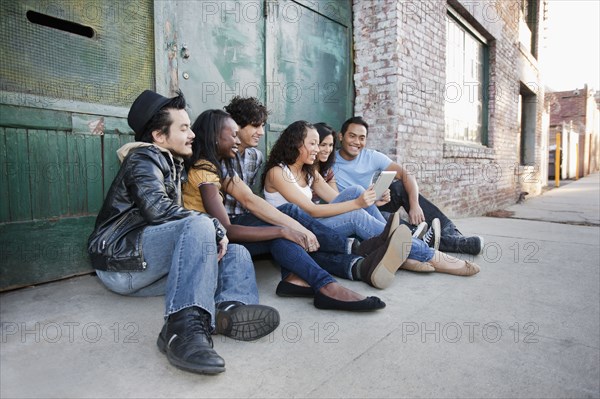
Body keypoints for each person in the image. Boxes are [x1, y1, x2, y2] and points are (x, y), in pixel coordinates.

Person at [87, 90, 280, 375]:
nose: (192, 134)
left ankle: (229, 308)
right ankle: (181, 331)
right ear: (159, 136)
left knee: (236, 251)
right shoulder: (142, 159)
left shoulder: (173, 162)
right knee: (202, 223)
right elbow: (158, 210)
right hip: (122, 264)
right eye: (184, 128)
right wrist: (214, 227)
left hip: (151, 266)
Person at [182, 109, 401, 310]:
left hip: (227, 228)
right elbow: (226, 229)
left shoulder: (220, 167)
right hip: (211, 239)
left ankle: (323, 277)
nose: (237, 141)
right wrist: (284, 230)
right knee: (284, 232)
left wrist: (294, 228)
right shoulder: (204, 172)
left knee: (288, 220)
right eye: (233, 135)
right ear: (214, 137)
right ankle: (343, 266)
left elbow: (250, 200)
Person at [261, 120, 481, 288]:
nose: (318, 150)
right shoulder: (278, 172)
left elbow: (335, 199)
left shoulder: (310, 172)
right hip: (301, 230)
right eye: (313, 144)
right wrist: (358, 204)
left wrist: (367, 200)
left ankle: (397, 245)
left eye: (319, 144)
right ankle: (429, 254)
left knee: (356, 191)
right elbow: (312, 210)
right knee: (356, 215)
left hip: (317, 223)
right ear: (296, 143)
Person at [334, 116, 484, 255]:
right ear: (341, 136)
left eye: (362, 138)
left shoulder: (371, 156)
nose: (357, 142)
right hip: (354, 209)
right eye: (352, 136)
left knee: (399, 187)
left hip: (376, 203)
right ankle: (452, 243)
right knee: (387, 218)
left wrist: (414, 205)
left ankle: (451, 233)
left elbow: (406, 175)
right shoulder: (329, 161)